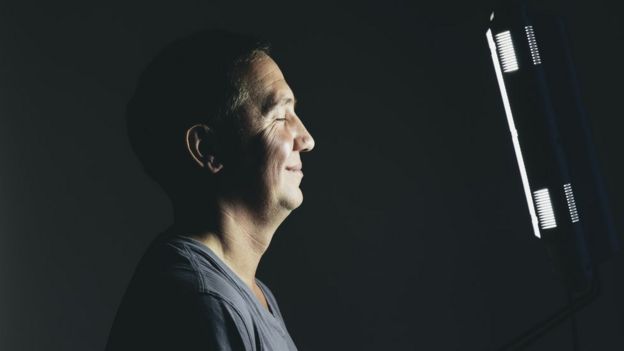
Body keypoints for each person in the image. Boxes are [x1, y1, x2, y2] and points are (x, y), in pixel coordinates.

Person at [105, 29, 314, 351]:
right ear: (208, 149)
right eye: (280, 116)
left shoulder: (249, 293)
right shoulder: (206, 300)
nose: (306, 139)